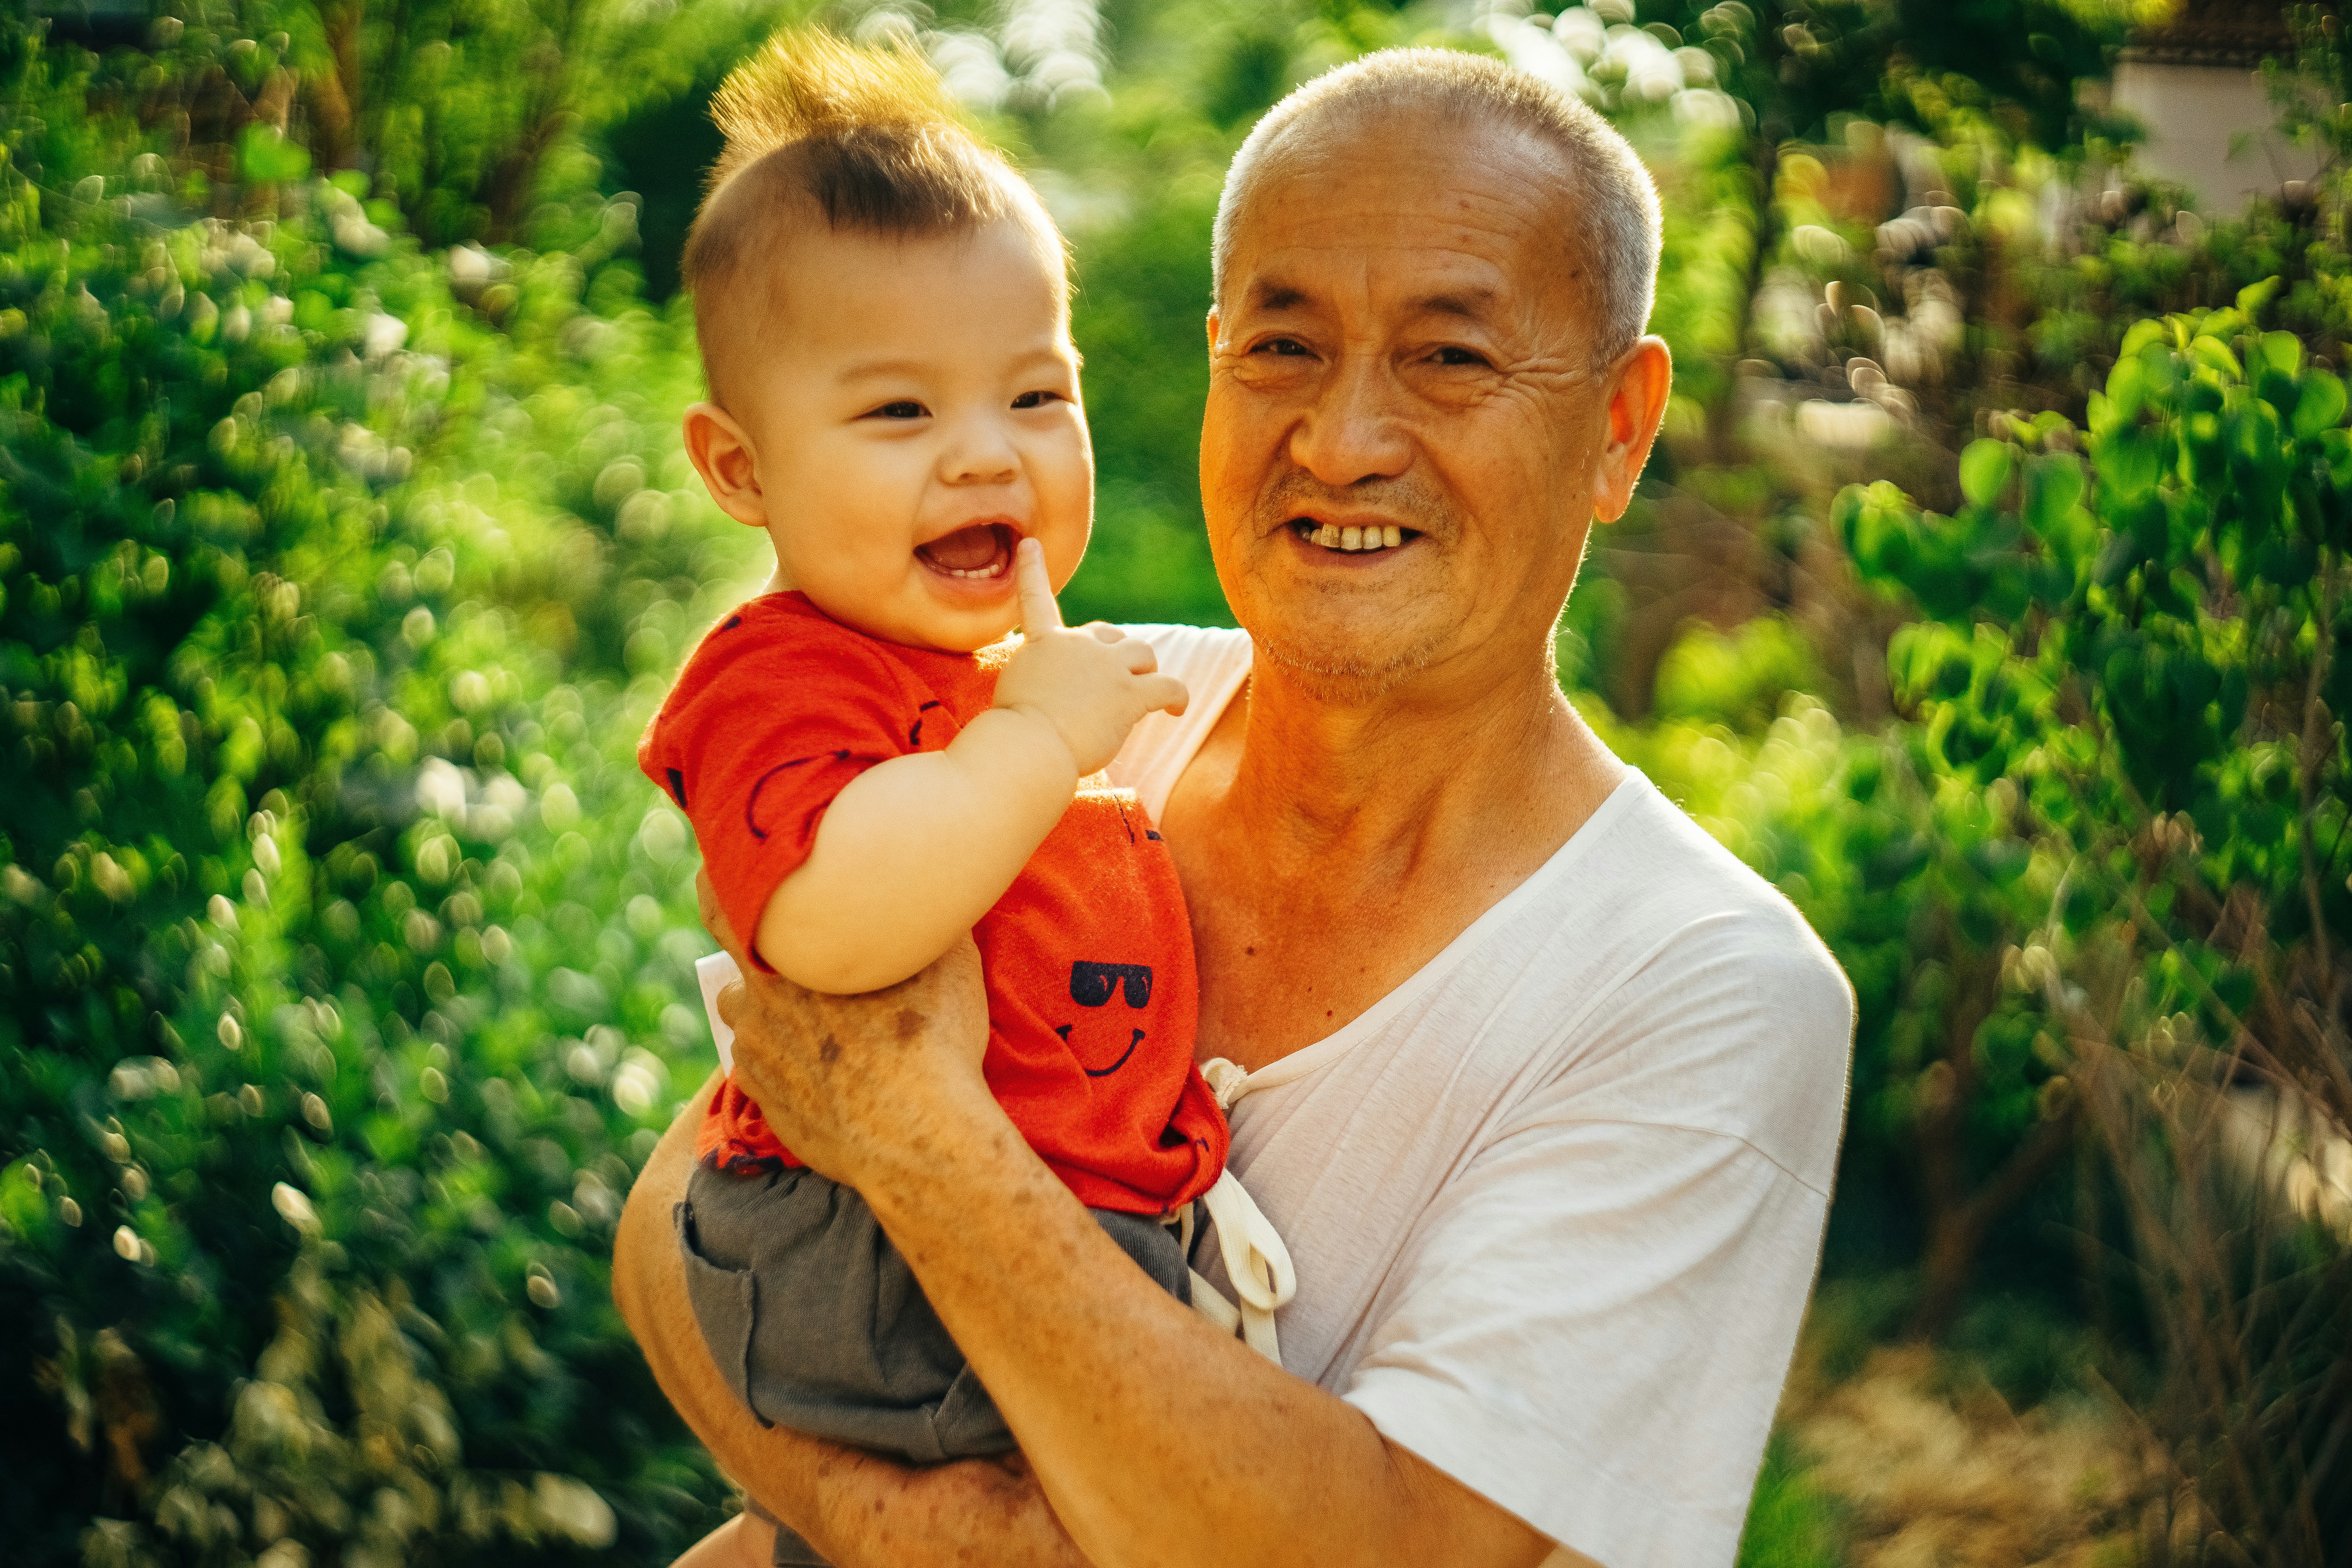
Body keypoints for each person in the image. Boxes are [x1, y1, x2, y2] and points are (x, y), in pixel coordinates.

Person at [617, 44, 1855, 1568]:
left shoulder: (1696, 986)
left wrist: (922, 1141)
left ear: (1619, 424)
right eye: (1282, 349)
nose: (1342, 441)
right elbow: (676, 1227)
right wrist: (907, 1527)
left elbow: (1391, 1549)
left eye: (1450, 357)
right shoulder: (1052, 724)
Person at [637, 31, 1293, 1566]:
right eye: (899, 414)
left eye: (1034, 395)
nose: (986, 456)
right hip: (870, 1261)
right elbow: (831, 921)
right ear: (740, 470)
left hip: (1020, 1248)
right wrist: (1037, 742)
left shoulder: (992, 673)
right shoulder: (782, 678)